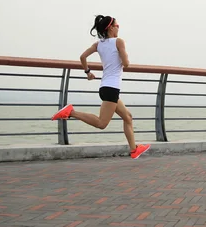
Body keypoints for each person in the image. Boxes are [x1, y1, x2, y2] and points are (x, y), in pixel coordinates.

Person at [52, 15, 151, 159]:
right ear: (110, 28)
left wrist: (88, 72)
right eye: (117, 25)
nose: (118, 28)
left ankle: (134, 149)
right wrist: (125, 57)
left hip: (107, 87)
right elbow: (126, 63)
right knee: (101, 123)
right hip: (111, 89)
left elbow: (82, 57)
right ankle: (70, 112)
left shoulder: (98, 44)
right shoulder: (119, 42)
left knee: (128, 117)